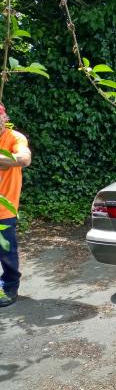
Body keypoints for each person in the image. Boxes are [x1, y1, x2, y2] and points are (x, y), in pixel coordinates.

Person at [0, 104, 31, 307]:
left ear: (4, 118)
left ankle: (10, 286)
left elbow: (24, 158)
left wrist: (5, 160)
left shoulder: (14, 138)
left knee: (6, 249)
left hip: (4, 208)